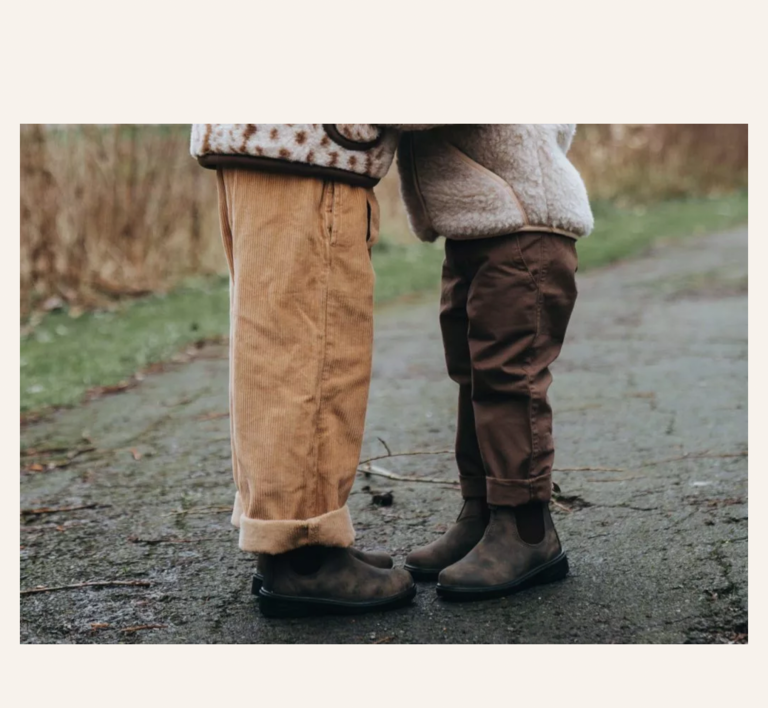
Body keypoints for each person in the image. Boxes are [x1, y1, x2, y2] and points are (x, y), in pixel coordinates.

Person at [190, 124, 416, 617]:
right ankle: (305, 550)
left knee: (272, 342)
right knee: (315, 347)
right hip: (311, 144)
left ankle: (289, 541)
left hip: (265, 138)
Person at [395, 125, 594, 601]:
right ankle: (482, 511)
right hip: (476, 224)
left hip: (521, 225)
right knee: (472, 375)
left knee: (509, 376)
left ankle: (525, 527)